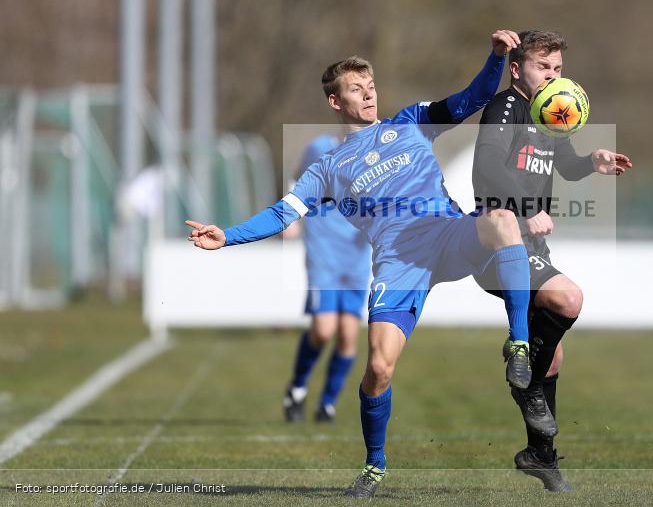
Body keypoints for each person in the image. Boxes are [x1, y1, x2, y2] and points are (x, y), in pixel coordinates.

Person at [186, 29, 540, 498]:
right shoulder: (326, 169)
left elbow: (470, 100)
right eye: (356, 88)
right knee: (378, 367)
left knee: (502, 220)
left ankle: (518, 345)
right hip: (399, 263)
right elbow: (281, 213)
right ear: (335, 102)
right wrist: (227, 235)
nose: (369, 92)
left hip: (448, 234)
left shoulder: (411, 121)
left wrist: (496, 59)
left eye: (370, 84)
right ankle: (375, 466)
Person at [471, 30, 632, 492]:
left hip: (532, 244)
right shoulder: (506, 108)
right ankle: (522, 379)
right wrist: (526, 208)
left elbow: (563, 163)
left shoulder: (551, 113)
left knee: (553, 354)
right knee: (568, 299)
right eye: (545, 67)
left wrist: (591, 163)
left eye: (558, 69)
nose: (554, 76)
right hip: (499, 237)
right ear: (518, 69)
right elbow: (487, 167)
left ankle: (540, 456)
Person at [281, 134, 372, 424]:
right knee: (323, 329)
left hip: (356, 260)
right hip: (324, 256)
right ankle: (296, 389)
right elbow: (296, 180)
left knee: (348, 335)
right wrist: (292, 217)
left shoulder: (377, 158)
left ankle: (327, 404)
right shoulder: (319, 148)